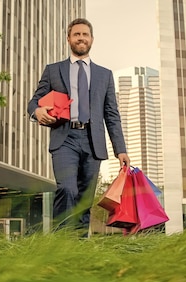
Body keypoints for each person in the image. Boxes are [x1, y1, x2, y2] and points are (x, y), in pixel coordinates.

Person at [28, 18, 130, 234]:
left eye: (85, 34)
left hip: (93, 142)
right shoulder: (53, 70)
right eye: (76, 34)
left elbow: (111, 114)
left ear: (91, 39)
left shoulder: (105, 75)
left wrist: (120, 149)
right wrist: (36, 111)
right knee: (67, 188)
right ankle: (60, 241)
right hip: (65, 139)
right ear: (68, 39)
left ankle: (79, 247)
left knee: (84, 201)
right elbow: (34, 101)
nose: (81, 38)